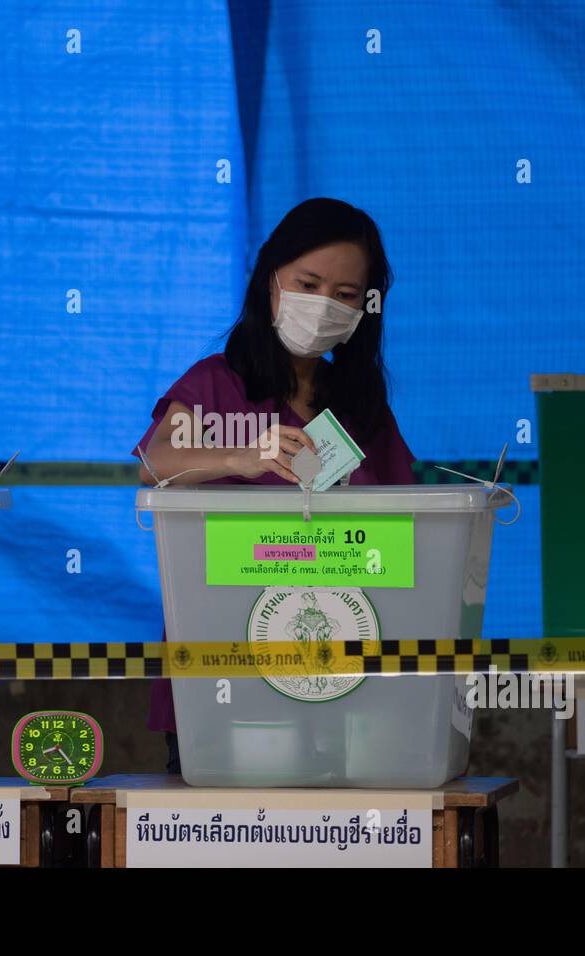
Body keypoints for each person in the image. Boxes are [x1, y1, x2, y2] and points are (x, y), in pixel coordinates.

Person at [132, 197, 417, 774]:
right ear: (271, 281)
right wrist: (243, 454)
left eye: (343, 296)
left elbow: (406, 516)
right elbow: (153, 462)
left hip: (342, 673)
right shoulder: (215, 384)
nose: (323, 306)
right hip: (224, 673)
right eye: (308, 284)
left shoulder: (361, 404)